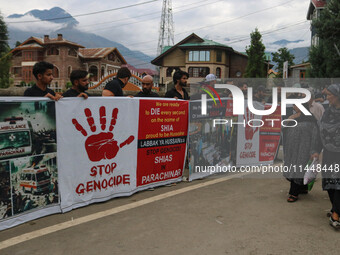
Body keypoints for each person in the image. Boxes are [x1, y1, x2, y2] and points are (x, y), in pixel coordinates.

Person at [311, 84, 340, 229]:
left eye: (330, 95)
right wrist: (316, 149)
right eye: (327, 95)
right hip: (328, 152)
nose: (327, 98)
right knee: (329, 181)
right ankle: (335, 208)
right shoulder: (327, 113)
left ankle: (336, 213)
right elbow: (320, 131)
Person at [282, 97, 318, 202]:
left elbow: (315, 134)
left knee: (298, 169)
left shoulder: (310, 118)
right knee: (294, 168)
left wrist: (313, 150)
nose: (293, 107)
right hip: (292, 148)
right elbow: (283, 128)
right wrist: (290, 119)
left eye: (295, 104)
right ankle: (302, 188)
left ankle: (293, 193)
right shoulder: (293, 116)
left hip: (304, 148)